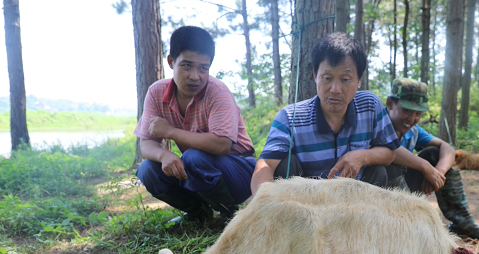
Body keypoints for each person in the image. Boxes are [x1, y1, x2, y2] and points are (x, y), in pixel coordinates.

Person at [250, 32, 399, 195]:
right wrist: (263, 201)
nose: (335, 89)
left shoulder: (370, 105)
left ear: (359, 80)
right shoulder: (289, 117)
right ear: (315, 75)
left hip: (356, 201)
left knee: (378, 171)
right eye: (327, 78)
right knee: (285, 165)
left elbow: (389, 153)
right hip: (306, 202)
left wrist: (362, 156)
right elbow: (266, 164)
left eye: (345, 79)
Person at [134, 26, 256, 222]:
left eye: (203, 68)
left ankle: (229, 212)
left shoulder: (217, 92)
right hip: (197, 170)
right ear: (171, 61)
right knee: (147, 169)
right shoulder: (156, 92)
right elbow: (146, 144)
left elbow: (222, 145)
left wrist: (171, 132)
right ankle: (198, 213)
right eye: (187, 66)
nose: (195, 76)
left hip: (238, 169)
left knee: (193, 158)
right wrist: (164, 154)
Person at [384, 77, 479, 242]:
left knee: (434, 153)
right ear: (390, 104)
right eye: (407, 110)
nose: (412, 118)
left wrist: (438, 173)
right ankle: (406, 224)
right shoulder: (377, 122)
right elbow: (390, 150)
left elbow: (447, 148)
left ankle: (462, 222)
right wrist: (425, 167)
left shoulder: (413, 130)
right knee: (389, 164)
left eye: (418, 113)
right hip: (376, 191)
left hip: (403, 189)